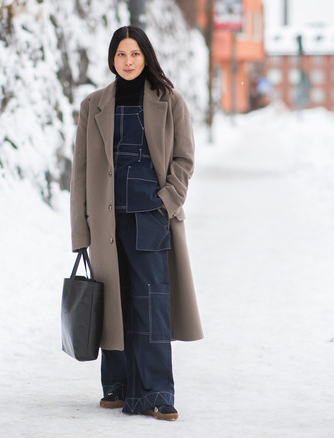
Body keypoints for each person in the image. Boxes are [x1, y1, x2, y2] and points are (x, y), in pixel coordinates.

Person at [69, 26, 203, 421]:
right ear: (112, 59)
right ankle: (117, 385)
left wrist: (165, 202)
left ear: (146, 56)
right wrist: (81, 232)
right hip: (106, 222)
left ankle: (158, 391)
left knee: (152, 305)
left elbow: (184, 160)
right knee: (113, 302)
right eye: (121, 54)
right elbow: (80, 173)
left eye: (135, 54)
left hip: (151, 218)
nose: (128, 61)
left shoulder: (170, 100)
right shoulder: (92, 105)